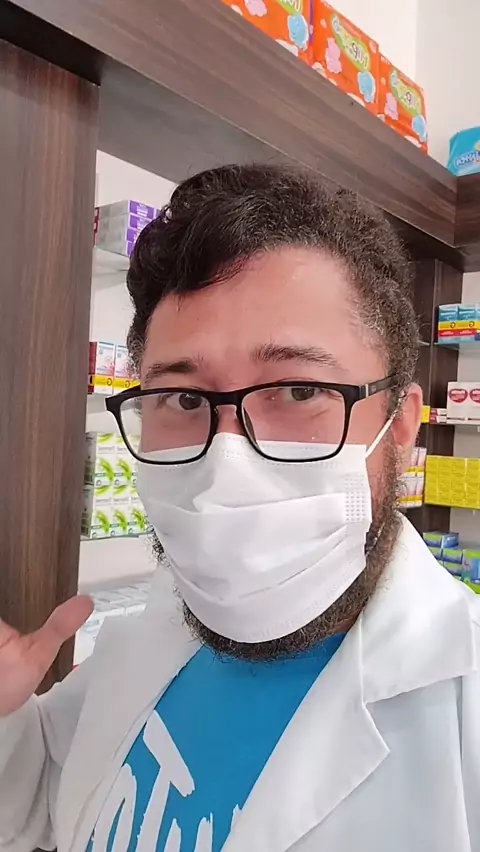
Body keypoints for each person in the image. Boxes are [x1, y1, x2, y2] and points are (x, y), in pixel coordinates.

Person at [0, 164, 479, 852]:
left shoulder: (464, 712)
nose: (225, 466)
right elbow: (50, 796)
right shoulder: (154, 629)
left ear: (401, 424)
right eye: (183, 399)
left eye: (298, 390)